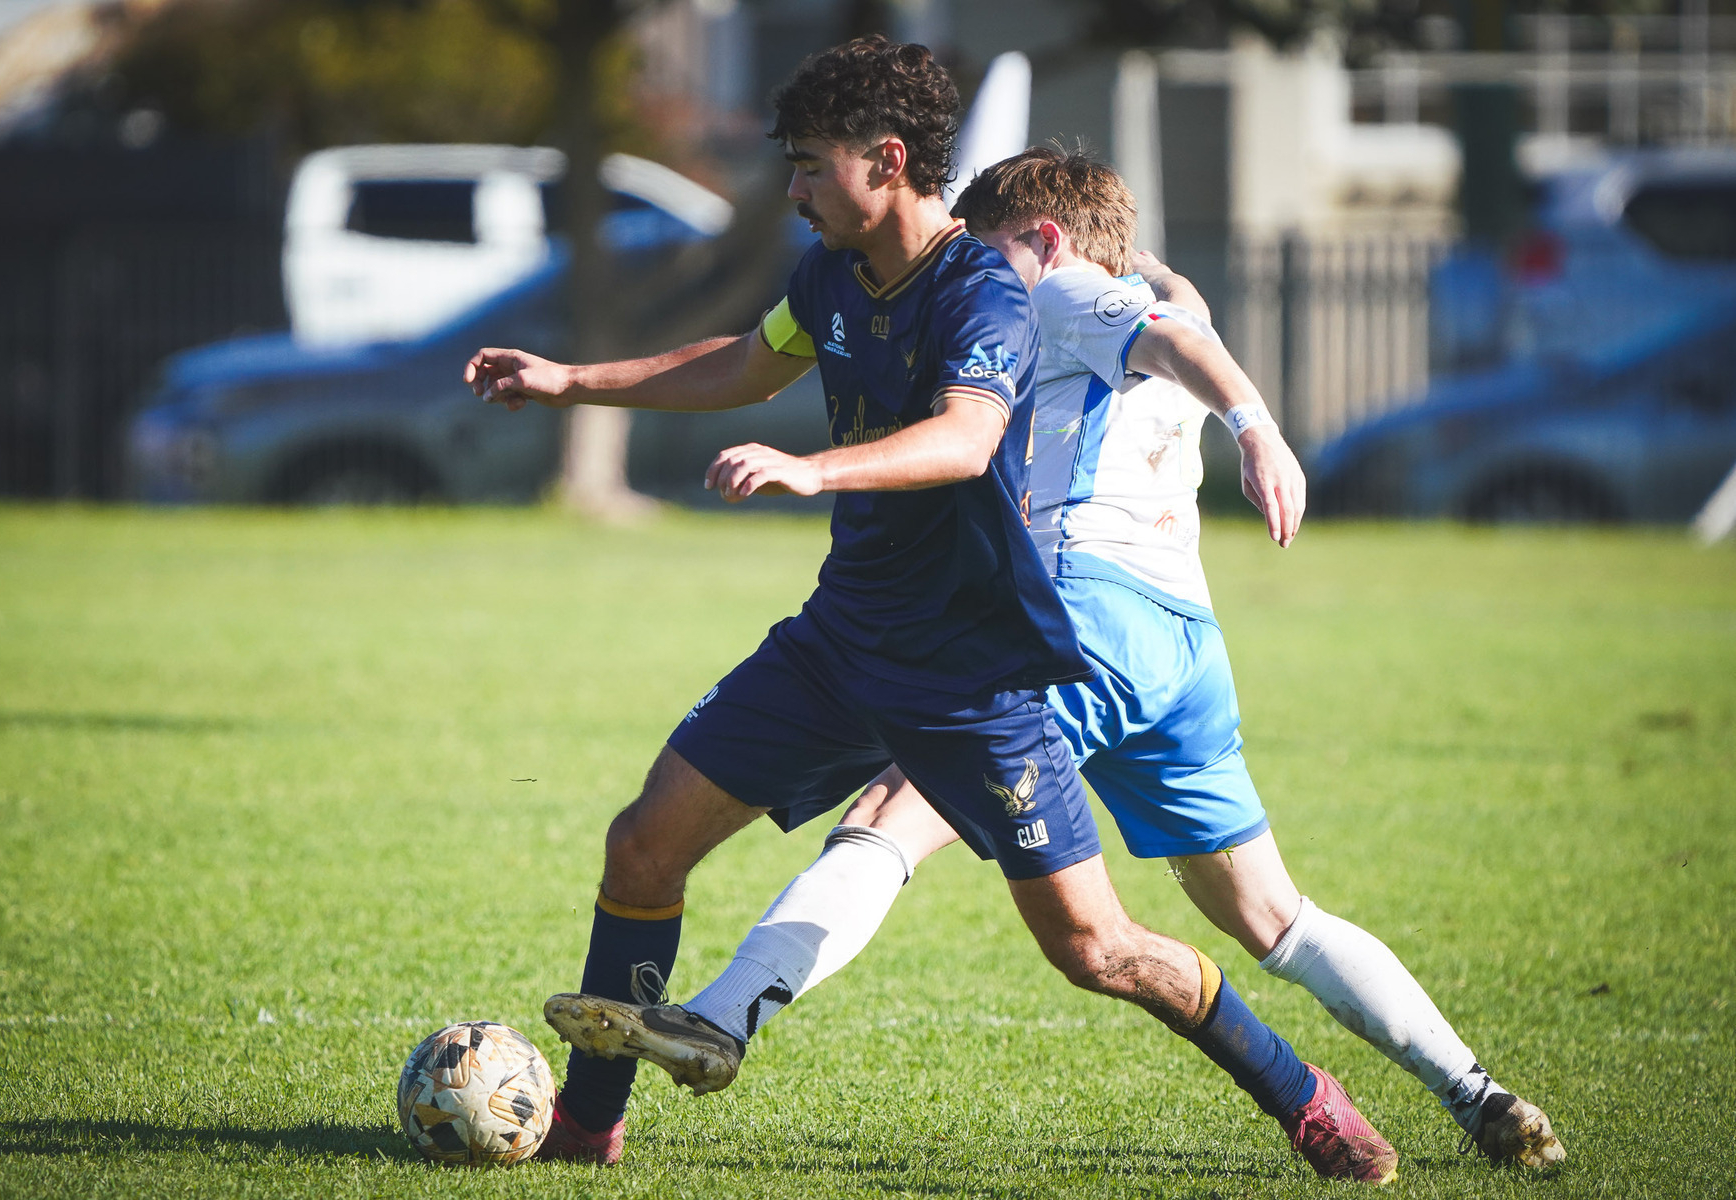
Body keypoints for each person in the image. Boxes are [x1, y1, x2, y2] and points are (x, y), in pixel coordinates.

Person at [470, 39, 1396, 1182]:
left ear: (887, 161)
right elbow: (746, 367)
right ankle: (586, 1126)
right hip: (837, 644)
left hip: (969, 675)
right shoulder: (832, 274)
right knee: (642, 844)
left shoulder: (987, 292)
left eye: (810, 167)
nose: (794, 191)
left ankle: (1299, 1093)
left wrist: (817, 469)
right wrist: (574, 379)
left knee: (1096, 947)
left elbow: (967, 438)